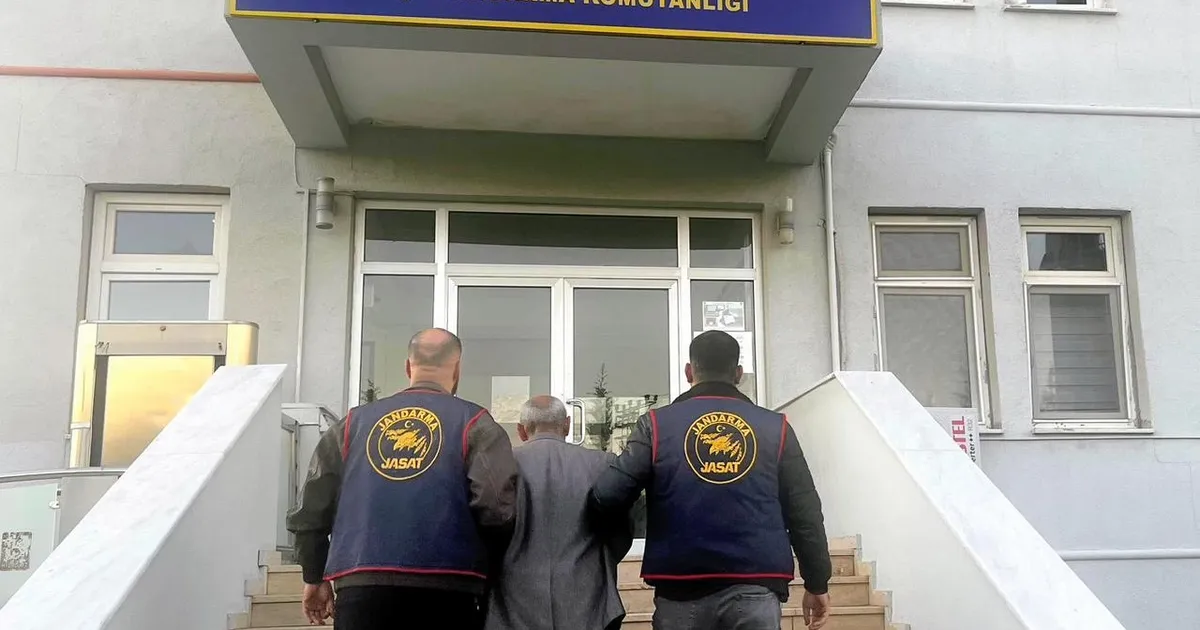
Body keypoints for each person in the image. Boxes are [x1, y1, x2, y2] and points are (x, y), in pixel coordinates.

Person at [589, 330, 834, 630]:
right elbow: (804, 511)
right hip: (755, 585)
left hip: (680, 586)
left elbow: (608, 496)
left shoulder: (655, 425)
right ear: (738, 374)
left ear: (689, 372)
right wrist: (817, 581)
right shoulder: (776, 428)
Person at [286, 328, 519, 629]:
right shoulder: (475, 423)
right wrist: (490, 569)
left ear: (408, 367)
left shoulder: (352, 425)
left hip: (362, 586)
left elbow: (311, 509)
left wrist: (314, 574)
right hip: (450, 588)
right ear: (458, 368)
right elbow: (497, 509)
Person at [486, 396, 631, 630]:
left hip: (512, 601)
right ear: (567, 424)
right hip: (588, 599)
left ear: (521, 430)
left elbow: (487, 524)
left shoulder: (500, 466)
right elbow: (621, 532)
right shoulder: (603, 463)